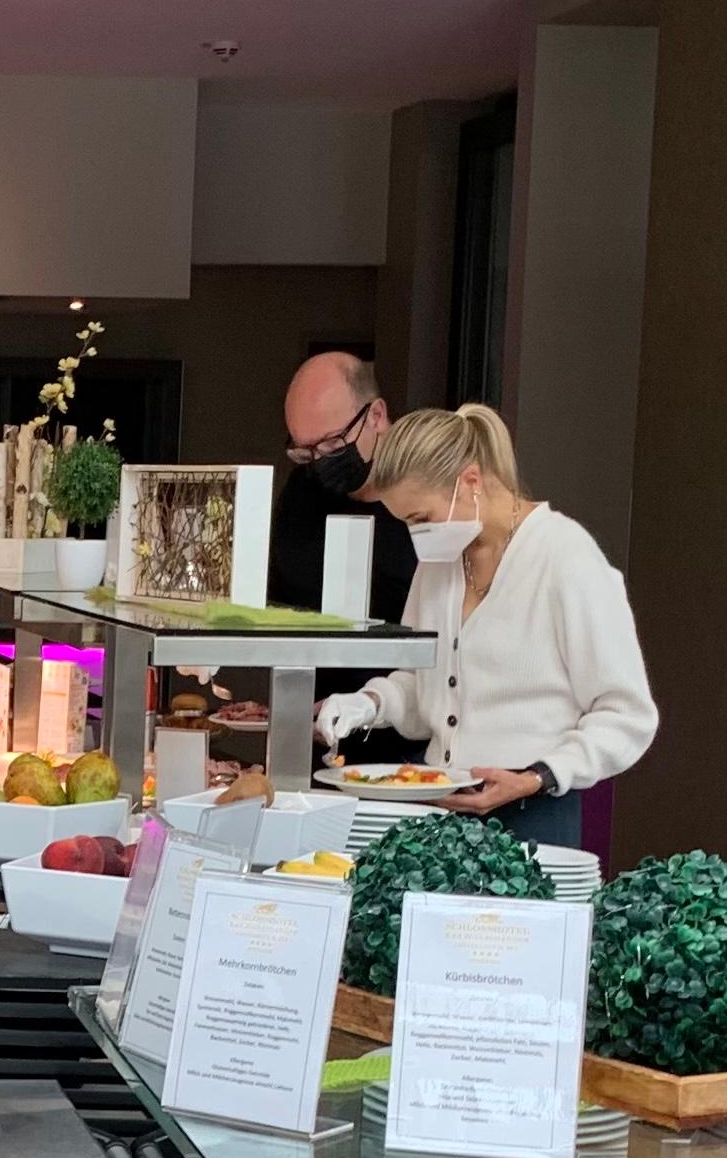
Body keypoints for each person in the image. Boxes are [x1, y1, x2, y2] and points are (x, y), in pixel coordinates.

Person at [316, 404, 658, 847]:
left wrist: (538, 777)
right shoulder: (440, 562)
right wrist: (369, 703)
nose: (414, 534)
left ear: (471, 483)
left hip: (534, 816)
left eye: (420, 518)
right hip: (440, 815)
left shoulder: (566, 556)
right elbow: (424, 695)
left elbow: (628, 714)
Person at [267, 351, 417, 623]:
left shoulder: (427, 504)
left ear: (376, 415)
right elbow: (278, 600)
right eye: (306, 451)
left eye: (333, 444)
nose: (319, 460)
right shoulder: (302, 492)